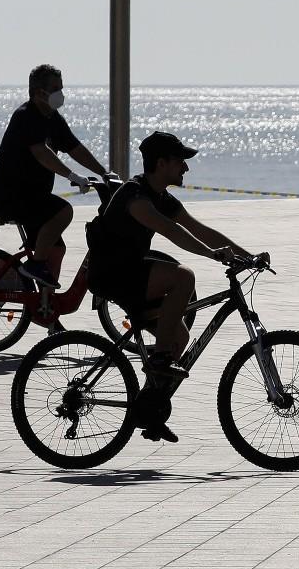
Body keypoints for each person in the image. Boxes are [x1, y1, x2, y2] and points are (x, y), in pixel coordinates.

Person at [88, 131, 264, 443]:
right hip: (114, 274)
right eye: (180, 161)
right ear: (161, 163)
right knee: (184, 276)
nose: (186, 168)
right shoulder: (136, 197)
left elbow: (200, 230)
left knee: (179, 337)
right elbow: (172, 231)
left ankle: (149, 409)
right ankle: (159, 361)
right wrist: (212, 256)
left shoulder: (162, 197)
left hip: (132, 273)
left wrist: (247, 257)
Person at [0, 64, 110, 290]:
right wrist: (72, 175)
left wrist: (103, 172)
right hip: (12, 195)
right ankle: (35, 265)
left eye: (61, 88)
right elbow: (42, 153)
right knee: (63, 211)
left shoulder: (52, 117)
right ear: (38, 93)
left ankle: (45, 310)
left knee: (56, 250)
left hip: (34, 196)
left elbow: (75, 147)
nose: (61, 94)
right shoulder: (26, 116)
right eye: (55, 88)